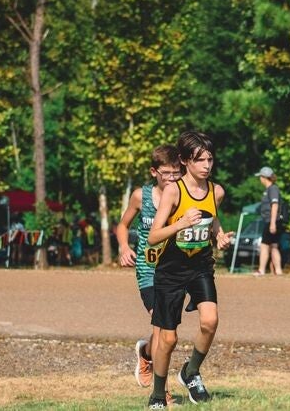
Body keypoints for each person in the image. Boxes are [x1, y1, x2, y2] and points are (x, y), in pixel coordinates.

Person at [146, 131, 233, 409]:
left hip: (200, 266)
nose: (206, 165)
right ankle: (157, 394)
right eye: (199, 160)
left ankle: (190, 371)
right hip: (171, 269)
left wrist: (220, 236)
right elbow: (154, 236)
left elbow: (212, 220)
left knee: (210, 322)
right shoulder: (174, 191)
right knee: (168, 339)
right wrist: (180, 223)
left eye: (210, 159)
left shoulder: (216, 191)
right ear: (184, 161)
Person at [116, 145, 181, 402]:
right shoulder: (140, 196)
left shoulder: (182, 196)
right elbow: (123, 225)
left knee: (165, 331)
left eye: (176, 172)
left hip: (174, 271)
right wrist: (124, 247)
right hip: (147, 270)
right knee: (162, 327)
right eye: (166, 173)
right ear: (154, 172)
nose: (172, 178)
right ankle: (161, 391)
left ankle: (146, 353)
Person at [253, 166, 284, 276]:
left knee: (264, 245)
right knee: (274, 246)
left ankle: (261, 270)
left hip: (271, 221)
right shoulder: (269, 189)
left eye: (260, 177)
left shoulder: (272, 189)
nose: (260, 179)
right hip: (272, 221)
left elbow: (275, 205)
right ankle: (278, 271)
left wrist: (272, 223)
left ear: (264, 177)